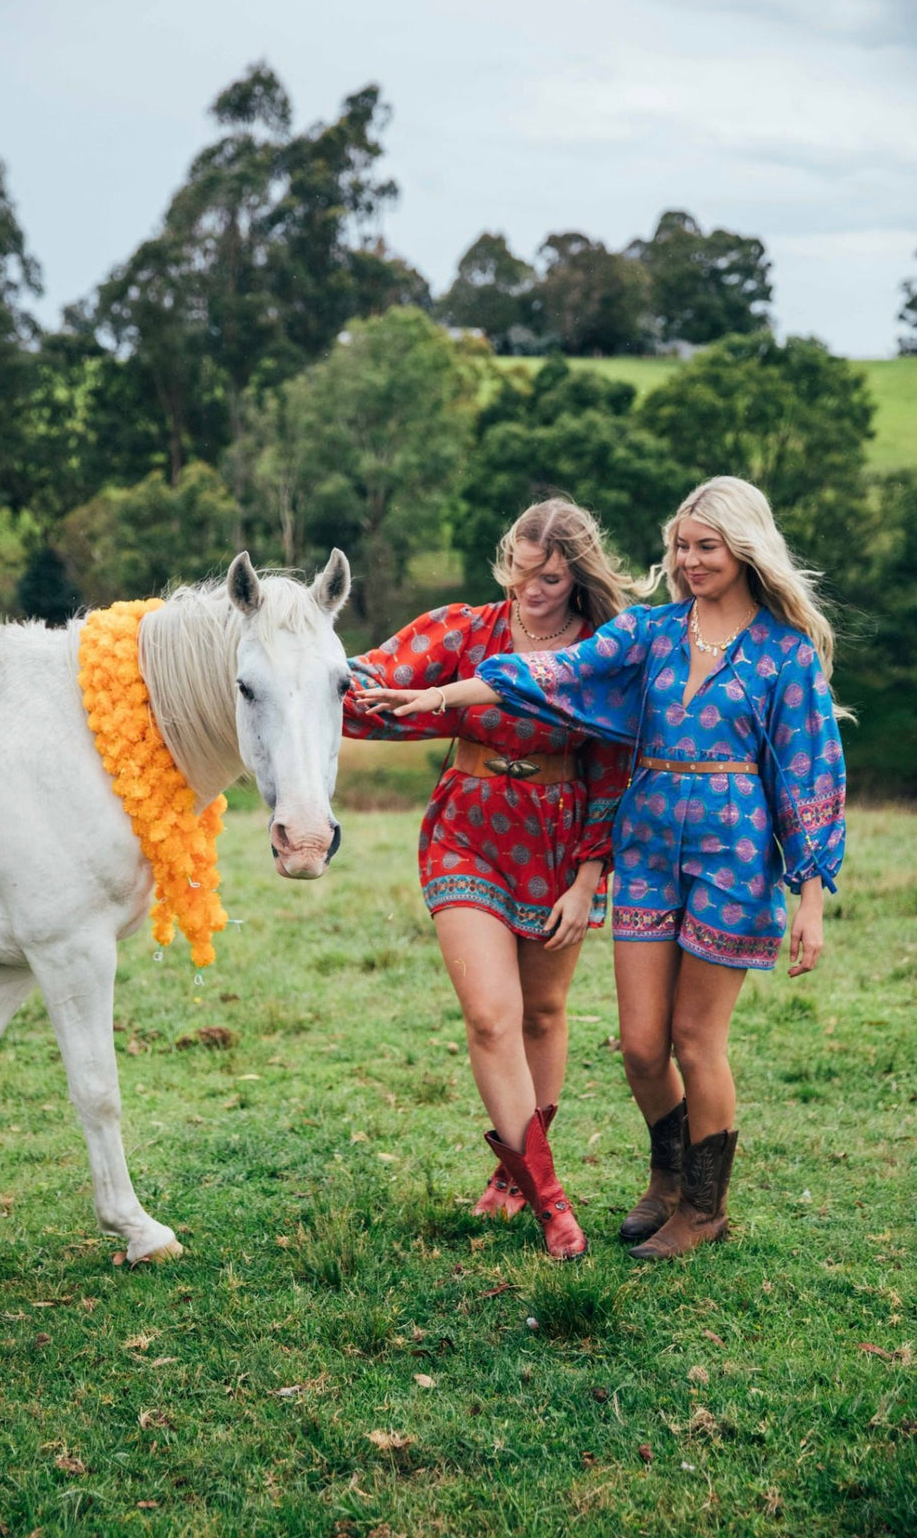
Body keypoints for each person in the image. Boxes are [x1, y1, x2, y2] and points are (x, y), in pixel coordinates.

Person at [354, 476, 847, 1261]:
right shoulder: (652, 632)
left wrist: (811, 897)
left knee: (694, 1036)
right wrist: (448, 694)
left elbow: (808, 771)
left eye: (706, 547)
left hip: (733, 857)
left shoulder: (784, 654)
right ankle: (667, 1174)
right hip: (648, 851)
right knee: (642, 1045)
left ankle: (704, 1205)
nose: (689, 561)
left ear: (745, 548)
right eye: (681, 546)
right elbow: (556, 675)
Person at [343, 495, 638, 1259]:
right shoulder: (467, 628)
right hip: (468, 828)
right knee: (490, 1015)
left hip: (558, 838)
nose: (529, 589)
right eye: (521, 570)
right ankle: (550, 1198)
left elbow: (612, 768)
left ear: (576, 577)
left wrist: (588, 879)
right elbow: (377, 675)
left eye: (548, 577)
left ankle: (513, 1176)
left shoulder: (599, 651)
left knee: (541, 1013)